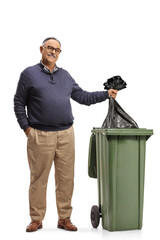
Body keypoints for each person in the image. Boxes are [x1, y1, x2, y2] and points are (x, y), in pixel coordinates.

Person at [13, 37, 117, 232]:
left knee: (66, 178)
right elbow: (19, 102)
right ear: (41, 49)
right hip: (40, 135)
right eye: (50, 48)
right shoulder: (29, 74)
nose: (53, 52)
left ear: (60, 53)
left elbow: (82, 96)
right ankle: (36, 218)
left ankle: (64, 218)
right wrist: (27, 129)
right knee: (38, 178)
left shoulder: (65, 76)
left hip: (66, 135)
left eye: (57, 50)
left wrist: (106, 94)